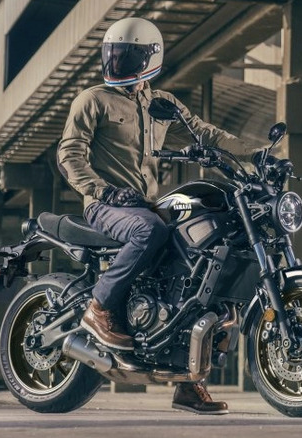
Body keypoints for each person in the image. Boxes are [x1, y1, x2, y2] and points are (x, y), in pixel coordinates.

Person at [57, 17, 257, 415]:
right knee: (149, 231)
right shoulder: (92, 100)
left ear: (149, 58)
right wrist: (101, 190)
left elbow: (205, 134)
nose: (117, 62)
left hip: (146, 203)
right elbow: (69, 155)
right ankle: (100, 307)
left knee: (198, 260)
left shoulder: (161, 104)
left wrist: (257, 152)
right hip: (105, 205)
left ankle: (187, 384)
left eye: (127, 55)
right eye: (113, 54)